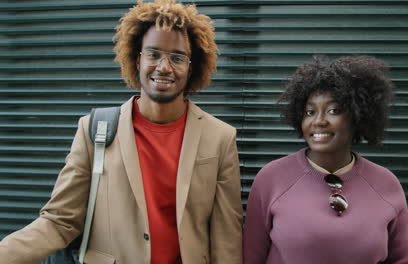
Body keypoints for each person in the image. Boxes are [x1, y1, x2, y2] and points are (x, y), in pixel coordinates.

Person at [0, 0, 243, 263]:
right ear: (136, 59)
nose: (164, 67)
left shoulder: (220, 138)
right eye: (153, 54)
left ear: (192, 67)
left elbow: (226, 240)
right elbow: (60, 222)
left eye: (177, 57)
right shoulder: (94, 129)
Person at [243, 55, 408, 264]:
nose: (319, 121)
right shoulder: (271, 179)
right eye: (310, 112)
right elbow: (251, 259)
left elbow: (404, 261)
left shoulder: (385, 183)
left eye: (333, 110)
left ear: (358, 115)